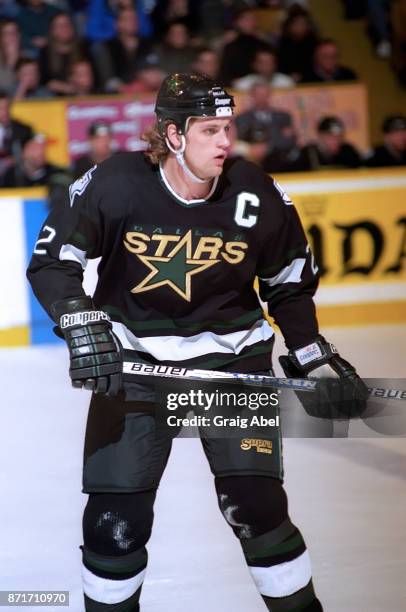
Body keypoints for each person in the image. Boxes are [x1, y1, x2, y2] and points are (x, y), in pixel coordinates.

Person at [27, 73, 367, 612]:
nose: (226, 142)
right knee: (115, 525)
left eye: (227, 128)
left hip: (233, 366)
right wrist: (78, 318)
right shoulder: (115, 184)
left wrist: (307, 348)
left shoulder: (254, 190)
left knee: (256, 507)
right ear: (174, 135)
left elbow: (289, 281)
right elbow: (52, 263)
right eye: (210, 130)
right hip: (137, 368)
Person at [235, 79, 297, 159]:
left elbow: (290, 141)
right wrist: (252, 148)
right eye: (258, 94)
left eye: (265, 94)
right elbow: (239, 141)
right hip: (251, 158)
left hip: (279, 157)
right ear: (251, 96)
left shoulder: (283, 117)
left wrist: (268, 147)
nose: (261, 98)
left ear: (269, 95)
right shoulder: (242, 119)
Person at [295, 116, 362, 170]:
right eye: (330, 137)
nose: (336, 141)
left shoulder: (349, 152)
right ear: (320, 136)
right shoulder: (308, 153)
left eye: (339, 137)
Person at [0, 89, 34, 179]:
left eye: (6, 107)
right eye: (0, 108)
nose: (4, 112)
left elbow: (30, 154)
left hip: (16, 173)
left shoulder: (23, 130)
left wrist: (15, 159)